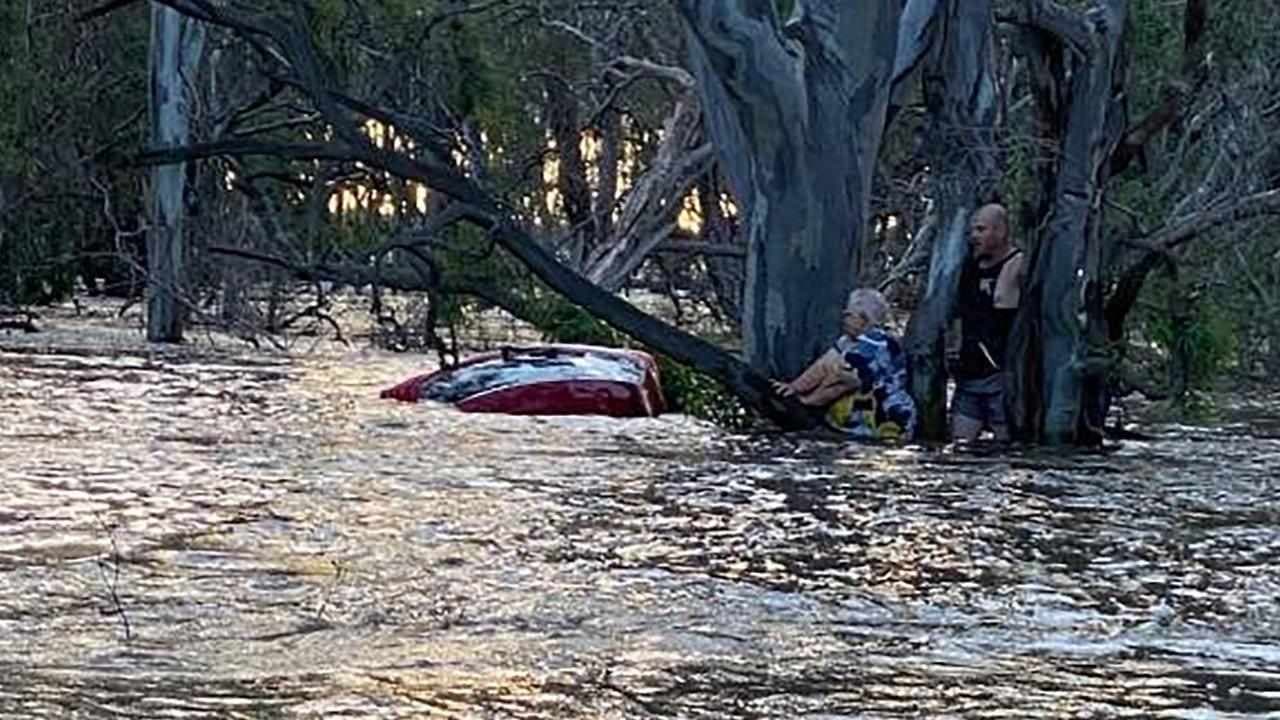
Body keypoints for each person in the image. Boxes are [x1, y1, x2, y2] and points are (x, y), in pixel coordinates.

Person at [772, 288, 917, 441]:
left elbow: (846, 378)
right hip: (853, 421)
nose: (844, 318)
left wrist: (807, 401)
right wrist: (794, 388)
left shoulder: (878, 341)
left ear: (864, 318)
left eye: (849, 314)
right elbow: (823, 365)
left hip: (886, 419)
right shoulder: (846, 341)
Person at [948, 203, 1025, 442]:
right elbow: (959, 316)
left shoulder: (1019, 264)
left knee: (1006, 450)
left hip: (1002, 377)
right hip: (969, 375)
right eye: (972, 231)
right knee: (960, 447)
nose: (974, 237)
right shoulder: (968, 267)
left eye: (981, 230)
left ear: (1000, 231)